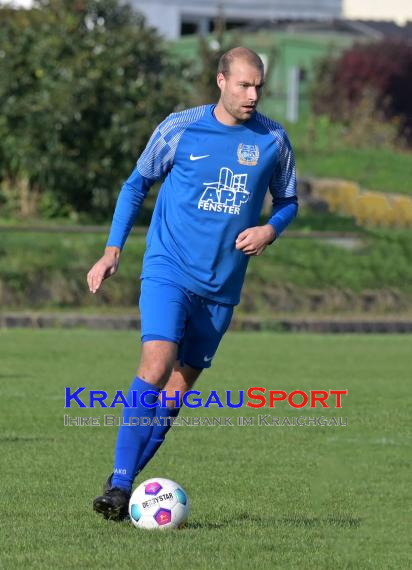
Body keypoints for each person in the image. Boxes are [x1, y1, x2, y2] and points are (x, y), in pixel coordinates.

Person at [87, 46, 298, 520]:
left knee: (178, 390)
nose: (253, 95)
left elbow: (288, 200)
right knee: (157, 364)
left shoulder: (274, 140)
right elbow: (135, 184)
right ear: (220, 81)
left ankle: (121, 487)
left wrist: (271, 229)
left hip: (222, 285)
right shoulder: (180, 128)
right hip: (169, 269)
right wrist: (112, 249)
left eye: (259, 87)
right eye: (244, 85)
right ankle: (122, 484)